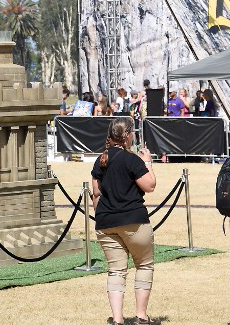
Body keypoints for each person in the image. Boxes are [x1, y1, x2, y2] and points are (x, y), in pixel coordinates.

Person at [92, 118, 158, 325]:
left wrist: (103, 216)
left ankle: (118, 319)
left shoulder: (100, 159)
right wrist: (147, 162)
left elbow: (96, 194)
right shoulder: (132, 160)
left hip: (105, 222)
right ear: (127, 135)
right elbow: (150, 185)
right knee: (144, 266)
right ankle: (141, 316)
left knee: (116, 270)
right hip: (133, 220)